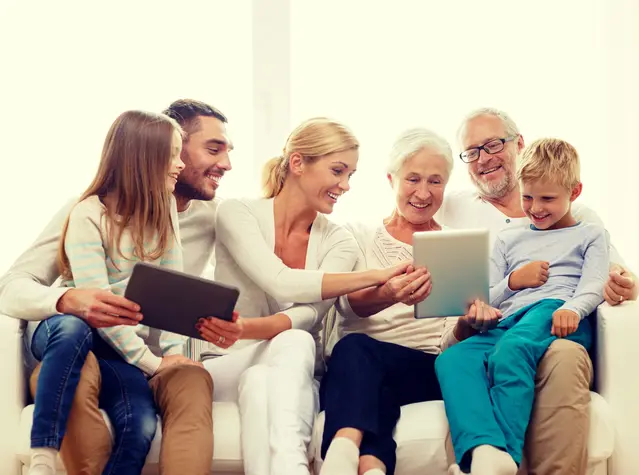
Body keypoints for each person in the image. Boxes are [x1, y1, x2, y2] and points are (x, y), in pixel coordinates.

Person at [0, 99, 233, 475]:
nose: (226, 164)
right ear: (153, 152)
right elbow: (10, 288)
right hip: (93, 342)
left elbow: (271, 252)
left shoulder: (217, 215)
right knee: (73, 356)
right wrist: (66, 299)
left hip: (153, 359)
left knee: (171, 396)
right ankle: (53, 454)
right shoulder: (86, 211)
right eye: (212, 149)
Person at [193, 117, 410, 475]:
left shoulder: (340, 240)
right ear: (297, 163)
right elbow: (281, 282)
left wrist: (246, 327)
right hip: (228, 362)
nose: (345, 185)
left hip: (293, 374)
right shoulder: (237, 212)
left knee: (268, 374)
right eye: (338, 171)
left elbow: (308, 314)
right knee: (292, 342)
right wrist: (375, 275)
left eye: (351, 175)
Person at [439, 108, 639, 475]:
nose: (533, 209)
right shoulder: (504, 235)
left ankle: (507, 457)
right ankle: (485, 452)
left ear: (517, 145)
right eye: (528, 199)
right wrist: (514, 282)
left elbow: (600, 280)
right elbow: (491, 295)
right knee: (453, 359)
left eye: (493, 145)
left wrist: (581, 307)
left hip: (556, 313)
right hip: (511, 319)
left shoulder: (588, 229)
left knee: (513, 350)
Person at [316, 128, 462, 475]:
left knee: (357, 354)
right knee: (362, 366)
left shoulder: (455, 246)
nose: (423, 193)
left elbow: (453, 338)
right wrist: (389, 294)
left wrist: (473, 318)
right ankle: (371, 469)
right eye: (412, 179)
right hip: (360, 366)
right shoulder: (356, 234)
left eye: (435, 181)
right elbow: (346, 304)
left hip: (425, 368)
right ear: (391, 179)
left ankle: (339, 457)